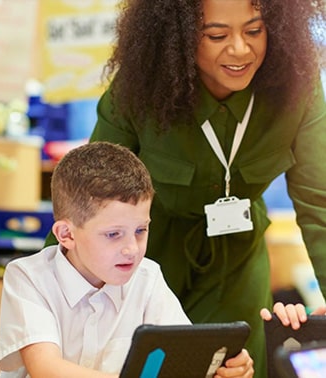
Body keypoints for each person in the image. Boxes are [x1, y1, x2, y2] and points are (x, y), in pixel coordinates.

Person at [45, 0, 326, 376]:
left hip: (236, 260)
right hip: (141, 257)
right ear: (177, 36)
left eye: (255, 30)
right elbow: (86, 197)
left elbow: (319, 204)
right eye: (216, 35)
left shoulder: (298, 89)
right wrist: (42, 300)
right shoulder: (137, 89)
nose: (241, 48)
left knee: (235, 369)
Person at [0, 141, 254, 377]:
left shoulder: (148, 277)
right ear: (66, 234)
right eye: (113, 234)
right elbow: (47, 370)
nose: (132, 248)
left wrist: (224, 369)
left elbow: (180, 361)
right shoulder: (29, 277)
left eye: (141, 230)